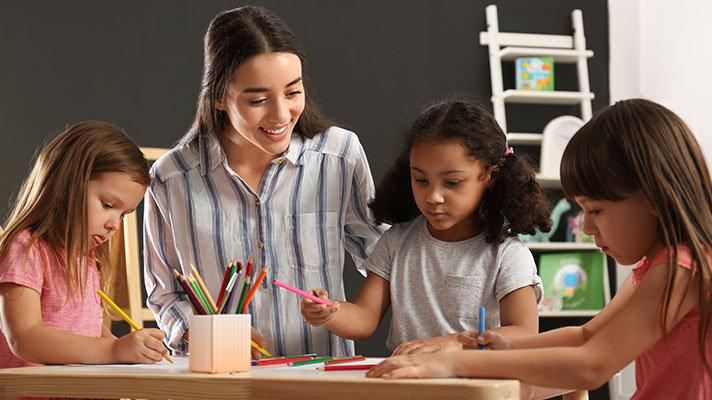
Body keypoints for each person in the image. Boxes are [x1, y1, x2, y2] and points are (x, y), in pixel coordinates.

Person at [366, 99, 712, 399]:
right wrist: (505, 345)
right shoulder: (658, 266)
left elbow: (592, 365)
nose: (587, 227)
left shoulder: (682, 269)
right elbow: (585, 334)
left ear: (651, 198)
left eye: (595, 211)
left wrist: (453, 361)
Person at [143, 5, 384, 358]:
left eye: (293, 92)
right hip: (219, 384)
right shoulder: (170, 178)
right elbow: (165, 295)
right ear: (219, 97)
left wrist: (347, 314)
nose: (281, 115)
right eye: (258, 100)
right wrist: (207, 335)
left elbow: (382, 255)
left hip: (320, 380)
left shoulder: (339, 155)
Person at [301, 100, 551, 354]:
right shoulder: (396, 241)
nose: (433, 196)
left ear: (491, 176)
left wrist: (451, 343)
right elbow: (365, 318)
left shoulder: (507, 254)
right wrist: (330, 311)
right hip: (409, 387)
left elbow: (523, 332)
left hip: (475, 388)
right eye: (421, 179)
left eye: (452, 182)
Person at [0, 121, 168, 368]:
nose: (114, 225)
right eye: (108, 205)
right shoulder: (26, 250)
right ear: (67, 184)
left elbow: (82, 330)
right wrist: (113, 350)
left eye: (124, 214)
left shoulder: (89, 261)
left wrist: (129, 347)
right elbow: (25, 338)